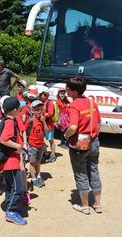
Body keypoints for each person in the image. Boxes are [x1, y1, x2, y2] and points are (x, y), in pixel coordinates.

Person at [64, 76, 102, 215]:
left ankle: (85, 206)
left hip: (80, 142)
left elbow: (73, 127)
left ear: (74, 92)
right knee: (94, 170)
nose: (65, 90)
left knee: (80, 173)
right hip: (94, 140)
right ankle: (97, 204)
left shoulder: (73, 106)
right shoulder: (92, 102)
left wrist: (66, 135)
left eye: (67, 88)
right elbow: (99, 123)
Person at [0, 97, 27, 226]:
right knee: (18, 188)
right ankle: (11, 211)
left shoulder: (8, 119)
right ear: (15, 110)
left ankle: (10, 205)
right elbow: (4, 139)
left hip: (10, 159)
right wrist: (17, 146)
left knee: (11, 186)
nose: (21, 110)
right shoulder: (10, 122)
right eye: (19, 108)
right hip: (11, 161)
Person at [23, 100, 48, 189]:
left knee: (38, 162)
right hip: (32, 144)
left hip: (40, 144)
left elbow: (46, 131)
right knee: (32, 162)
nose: (40, 112)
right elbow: (24, 131)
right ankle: (33, 179)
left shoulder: (42, 120)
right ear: (32, 110)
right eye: (37, 110)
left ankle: (38, 176)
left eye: (41, 109)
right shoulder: (30, 120)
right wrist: (25, 142)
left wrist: (44, 122)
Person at [38, 88, 57, 163]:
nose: (43, 96)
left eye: (45, 94)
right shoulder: (40, 102)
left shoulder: (50, 103)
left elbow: (51, 113)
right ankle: (45, 153)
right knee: (41, 139)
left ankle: (52, 155)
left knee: (50, 140)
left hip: (49, 125)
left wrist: (43, 115)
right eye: (42, 94)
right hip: (42, 124)